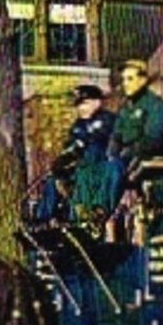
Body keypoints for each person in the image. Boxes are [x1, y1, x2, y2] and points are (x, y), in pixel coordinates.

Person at [33, 84, 117, 225]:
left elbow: (98, 143)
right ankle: (42, 219)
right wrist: (61, 162)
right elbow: (70, 147)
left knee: (84, 170)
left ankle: (76, 219)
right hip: (80, 168)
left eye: (84, 103)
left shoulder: (107, 120)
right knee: (52, 180)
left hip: (101, 169)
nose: (80, 108)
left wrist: (77, 150)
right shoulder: (77, 126)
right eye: (78, 105)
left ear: (97, 102)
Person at [108, 59, 163, 175]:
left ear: (143, 80)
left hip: (144, 159)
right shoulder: (125, 107)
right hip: (122, 160)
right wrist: (111, 155)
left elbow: (153, 139)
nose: (125, 84)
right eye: (123, 79)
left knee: (112, 172)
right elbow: (116, 136)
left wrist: (127, 153)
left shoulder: (155, 105)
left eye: (130, 79)